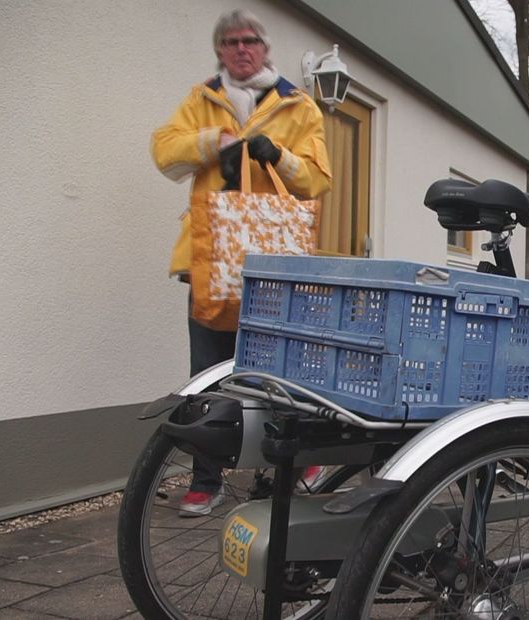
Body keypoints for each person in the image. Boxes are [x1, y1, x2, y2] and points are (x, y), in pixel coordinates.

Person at [151, 9, 333, 516]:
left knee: (279, 372)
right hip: (211, 262)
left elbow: (316, 180)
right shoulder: (201, 99)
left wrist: (276, 156)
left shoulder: (299, 106)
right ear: (220, 50)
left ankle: (295, 465)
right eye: (230, 41)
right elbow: (165, 152)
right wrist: (216, 143)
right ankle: (205, 481)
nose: (241, 48)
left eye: (250, 40)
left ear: (265, 47)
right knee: (207, 375)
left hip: (273, 266)